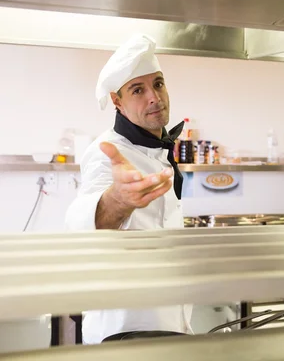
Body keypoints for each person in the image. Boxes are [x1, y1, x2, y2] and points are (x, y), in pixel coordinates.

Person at [65, 34, 193, 344]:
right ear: (117, 102)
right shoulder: (105, 152)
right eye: (138, 90)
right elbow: (85, 221)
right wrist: (117, 201)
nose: (154, 97)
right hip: (123, 329)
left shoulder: (160, 148)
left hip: (171, 321)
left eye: (158, 84)